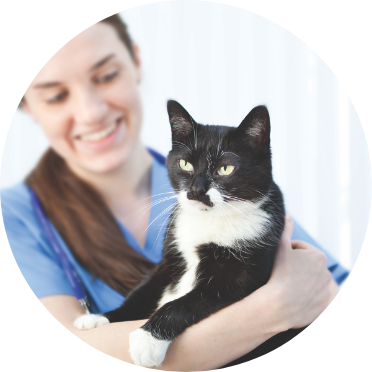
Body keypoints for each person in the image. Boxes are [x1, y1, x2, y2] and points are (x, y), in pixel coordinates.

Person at [1, 14, 348, 371]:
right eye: (56, 96)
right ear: (25, 105)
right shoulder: (16, 216)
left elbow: (325, 285)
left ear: (136, 61)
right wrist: (272, 309)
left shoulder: (249, 200)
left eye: (106, 76)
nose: (91, 113)